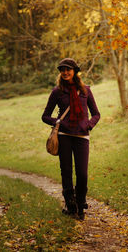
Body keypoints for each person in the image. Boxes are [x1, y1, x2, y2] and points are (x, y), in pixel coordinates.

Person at [42, 58, 100, 220]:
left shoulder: (86, 90)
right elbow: (45, 116)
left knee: (82, 174)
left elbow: (96, 113)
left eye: (68, 69)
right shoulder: (57, 91)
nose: (65, 72)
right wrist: (59, 122)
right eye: (62, 70)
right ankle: (71, 205)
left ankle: (81, 203)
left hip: (82, 136)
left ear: (75, 71)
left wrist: (89, 125)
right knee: (66, 171)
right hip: (64, 137)